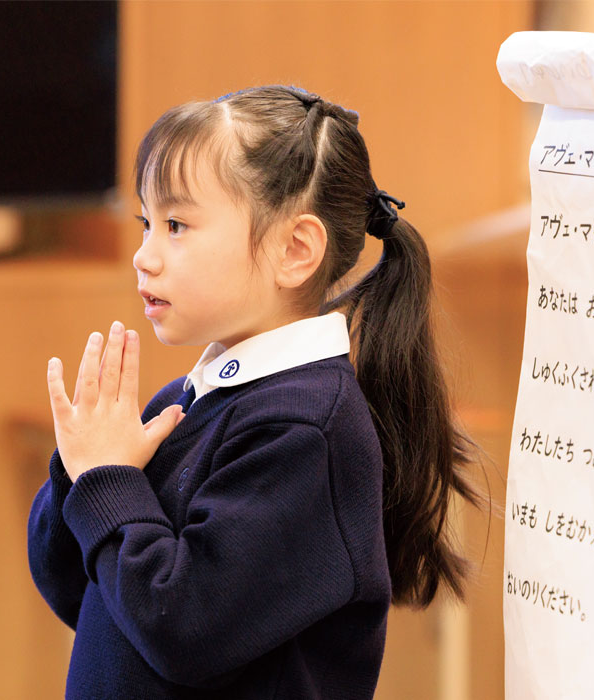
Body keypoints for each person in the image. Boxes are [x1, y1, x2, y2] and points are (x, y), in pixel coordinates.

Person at [28, 85, 482, 699]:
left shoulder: (305, 433)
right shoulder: (186, 401)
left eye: (177, 225)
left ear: (294, 251)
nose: (144, 255)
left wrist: (108, 479)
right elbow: (80, 592)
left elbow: (181, 628)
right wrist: (84, 468)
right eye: (146, 223)